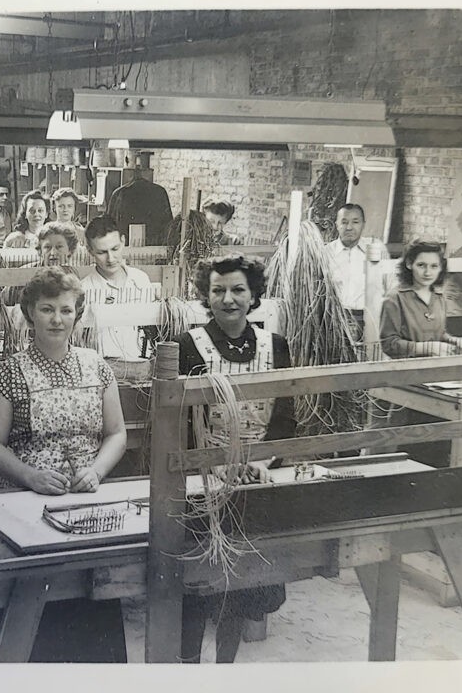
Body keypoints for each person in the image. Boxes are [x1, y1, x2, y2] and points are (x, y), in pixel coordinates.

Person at [0, 267, 128, 662]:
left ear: (77, 314)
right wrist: (30, 476)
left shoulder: (97, 367)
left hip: (84, 503)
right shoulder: (10, 372)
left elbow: (117, 433)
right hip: (25, 503)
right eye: (47, 310)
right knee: (30, 610)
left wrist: (96, 470)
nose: (57, 319)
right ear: (30, 313)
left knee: (92, 601)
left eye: (66, 310)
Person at [174, 253, 295, 664]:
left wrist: (264, 462)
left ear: (253, 294)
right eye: (218, 290)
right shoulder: (189, 345)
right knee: (197, 584)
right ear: (206, 296)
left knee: (242, 585)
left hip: (257, 479)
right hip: (204, 481)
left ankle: (225, 666)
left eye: (238, 290)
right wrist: (214, 466)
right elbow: (182, 427)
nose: (229, 299)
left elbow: (284, 419)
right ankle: (188, 665)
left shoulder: (274, 346)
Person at [380, 240, 462, 358]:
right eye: (421, 265)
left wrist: (456, 341)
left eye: (434, 266)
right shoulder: (394, 298)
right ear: (409, 264)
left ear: (441, 268)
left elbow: (438, 334)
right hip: (407, 370)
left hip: (437, 366)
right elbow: (388, 344)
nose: (427, 272)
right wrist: (428, 348)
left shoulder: (438, 296)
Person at [80, 215, 155, 359]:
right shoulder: (83, 290)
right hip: (101, 368)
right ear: (90, 251)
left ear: (123, 241)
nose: (111, 258)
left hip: (139, 364)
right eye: (102, 252)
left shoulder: (141, 280)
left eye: (115, 249)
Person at [325, 203, 392, 338]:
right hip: (335, 318)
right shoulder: (327, 253)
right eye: (344, 222)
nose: (349, 227)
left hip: (370, 318)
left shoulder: (375, 248)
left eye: (355, 222)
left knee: (369, 355)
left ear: (363, 224)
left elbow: (390, 284)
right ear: (337, 224)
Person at [1, 222, 81, 306]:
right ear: (40, 251)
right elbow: (5, 303)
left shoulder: (76, 276)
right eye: (47, 247)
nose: (53, 253)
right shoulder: (23, 274)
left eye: (59, 247)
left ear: (70, 250)